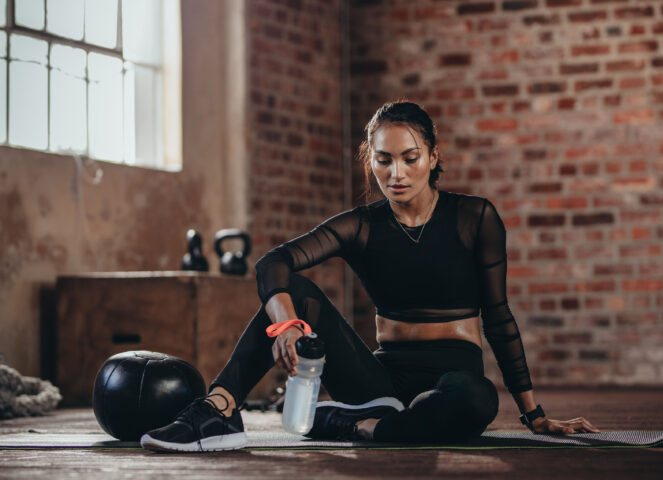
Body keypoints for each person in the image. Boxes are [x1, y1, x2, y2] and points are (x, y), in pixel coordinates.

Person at [140, 100, 599, 452]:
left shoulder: (475, 218)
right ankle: (218, 410)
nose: (396, 174)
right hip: (379, 383)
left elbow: (498, 318)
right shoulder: (361, 226)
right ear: (371, 159)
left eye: (410, 158)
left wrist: (534, 415)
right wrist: (287, 322)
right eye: (383, 160)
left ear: (434, 156)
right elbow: (273, 263)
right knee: (295, 293)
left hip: (452, 379)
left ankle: (352, 425)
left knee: (478, 399)